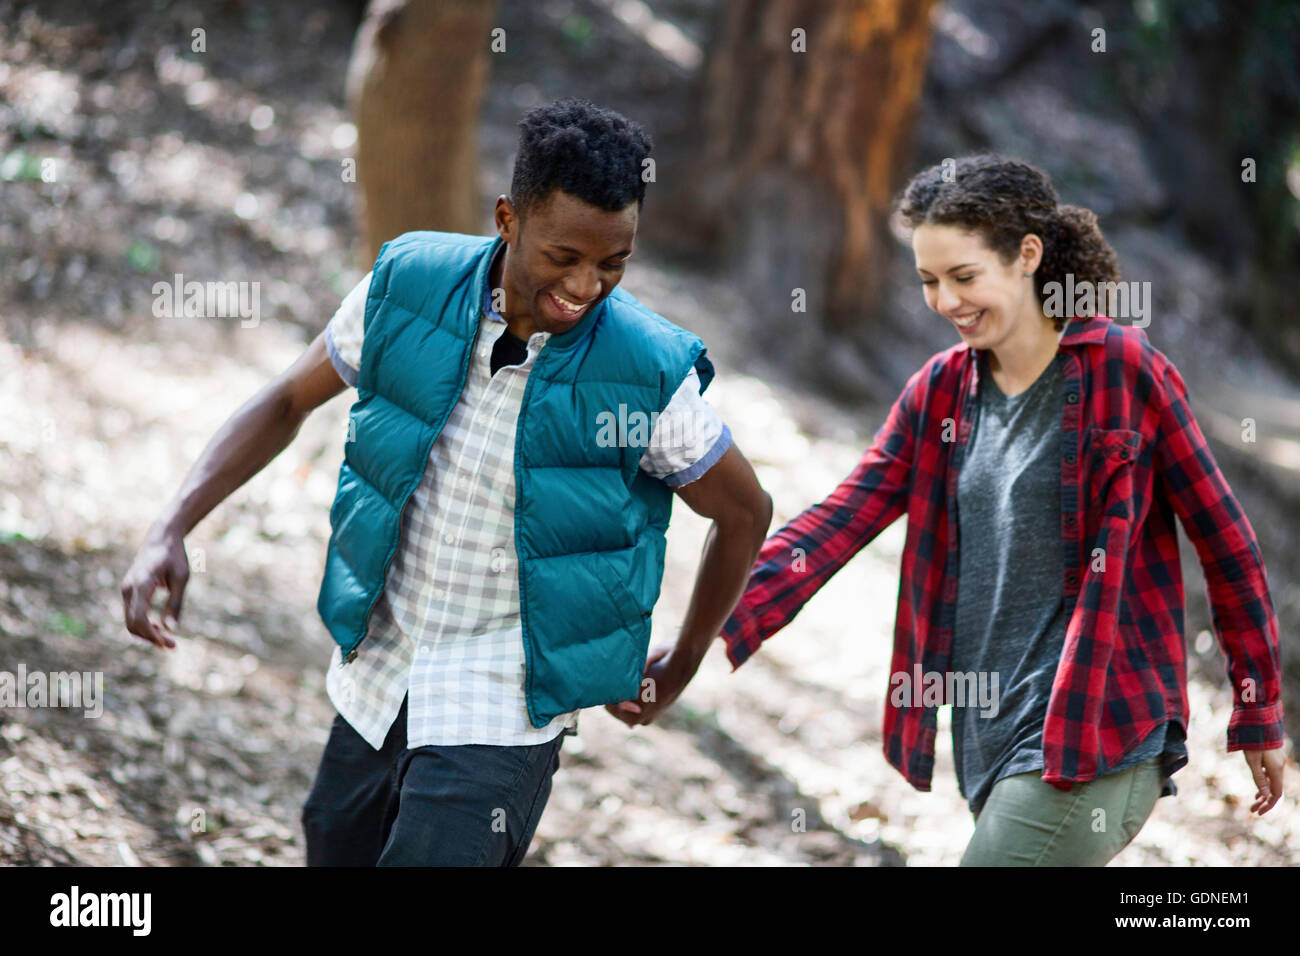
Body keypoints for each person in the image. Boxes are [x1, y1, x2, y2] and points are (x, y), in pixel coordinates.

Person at [120, 98, 773, 866]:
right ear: (507, 219)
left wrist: (688, 656)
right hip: (379, 676)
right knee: (332, 844)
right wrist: (173, 524)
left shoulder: (642, 371)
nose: (587, 284)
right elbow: (285, 402)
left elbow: (743, 511)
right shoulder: (408, 288)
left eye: (613, 262)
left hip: (501, 710)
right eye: (563, 256)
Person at [706, 154, 1286, 865]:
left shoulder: (1123, 369)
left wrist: (1257, 711)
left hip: (1099, 729)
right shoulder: (939, 392)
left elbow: (1227, 543)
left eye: (964, 276)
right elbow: (841, 516)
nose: (945, 300)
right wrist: (717, 620)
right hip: (987, 741)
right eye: (928, 281)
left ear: (1027, 257)